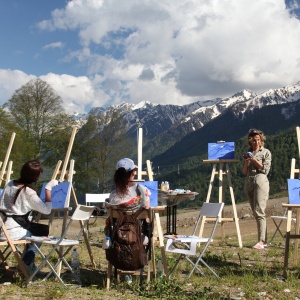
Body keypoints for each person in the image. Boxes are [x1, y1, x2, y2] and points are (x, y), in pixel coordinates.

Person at [0, 159, 58, 274]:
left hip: (2, 227)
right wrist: (48, 189)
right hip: (12, 232)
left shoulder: (10, 183)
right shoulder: (28, 192)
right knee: (41, 233)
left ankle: (28, 263)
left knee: (36, 229)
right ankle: (26, 263)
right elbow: (46, 210)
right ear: (34, 177)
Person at [105, 158, 151, 244]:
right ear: (133, 172)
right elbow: (146, 215)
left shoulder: (113, 195)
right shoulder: (143, 192)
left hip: (117, 236)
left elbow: (110, 218)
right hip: (138, 236)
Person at [242, 129, 272, 250]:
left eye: (257, 140)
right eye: (253, 140)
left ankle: (261, 241)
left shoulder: (266, 152)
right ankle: (263, 240)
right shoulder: (248, 153)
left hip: (260, 181)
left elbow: (265, 170)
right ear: (250, 141)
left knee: (260, 210)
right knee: (255, 211)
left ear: (261, 140)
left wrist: (254, 160)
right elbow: (244, 172)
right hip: (249, 181)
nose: (255, 142)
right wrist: (247, 162)